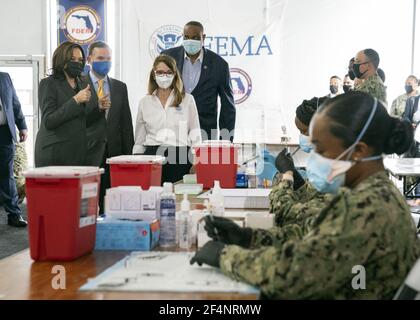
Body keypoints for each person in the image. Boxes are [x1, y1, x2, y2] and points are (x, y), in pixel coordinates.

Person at [191, 92, 420, 299]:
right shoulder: (371, 192)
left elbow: (293, 275)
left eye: (321, 150)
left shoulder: (367, 206)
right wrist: (248, 237)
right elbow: (311, 235)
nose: (315, 158)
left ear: (358, 151)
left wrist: (226, 256)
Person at [133, 54, 201, 183]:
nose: (164, 76)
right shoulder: (145, 102)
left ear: (175, 74)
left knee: (179, 200)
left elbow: (195, 134)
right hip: (152, 156)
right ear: (154, 74)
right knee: (152, 199)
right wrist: (137, 160)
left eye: (169, 72)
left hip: (180, 157)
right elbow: (139, 139)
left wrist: (197, 161)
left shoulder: (187, 100)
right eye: (160, 72)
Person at [162, 21, 235, 141]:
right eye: (186, 37)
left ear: (203, 38)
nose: (190, 41)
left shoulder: (219, 65)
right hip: (171, 132)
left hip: (205, 134)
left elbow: (228, 107)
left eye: (195, 37)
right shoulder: (168, 57)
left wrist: (225, 142)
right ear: (182, 36)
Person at [84, 41, 134, 215]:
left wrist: (128, 157)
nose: (105, 62)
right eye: (100, 58)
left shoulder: (120, 87)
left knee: (112, 205)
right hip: (87, 155)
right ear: (89, 59)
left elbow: (126, 125)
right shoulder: (78, 85)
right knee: (86, 207)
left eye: (108, 58)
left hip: (114, 154)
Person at [35, 41, 91, 167]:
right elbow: (49, 121)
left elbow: (81, 120)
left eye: (80, 60)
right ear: (62, 60)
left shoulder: (81, 84)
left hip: (76, 153)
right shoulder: (49, 84)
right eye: (73, 59)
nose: (77, 63)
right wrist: (75, 100)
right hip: (54, 153)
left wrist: (98, 107)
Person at [0, 72, 28, 227]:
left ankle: (14, 215)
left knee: (7, 175)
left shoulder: (4, 77)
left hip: (4, 133)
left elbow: (14, 103)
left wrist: (22, 126)